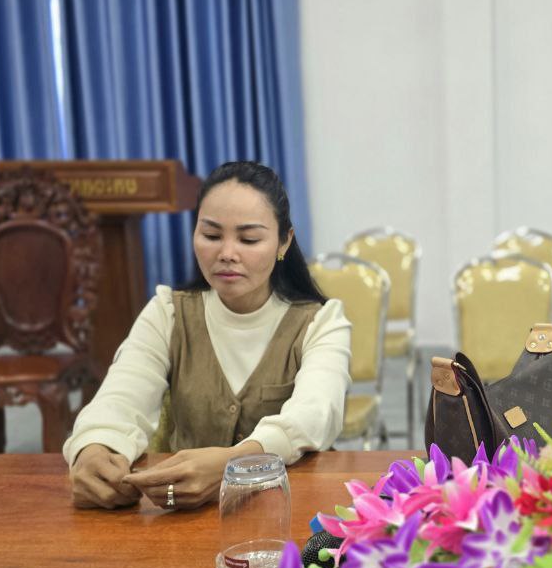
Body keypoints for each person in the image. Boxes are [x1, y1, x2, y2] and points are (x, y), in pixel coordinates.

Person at [64, 161, 352, 510]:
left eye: (248, 239)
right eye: (212, 236)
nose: (227, 254)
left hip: (291, 512)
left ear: (284, 242)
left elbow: (315, 414)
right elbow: (119, 399)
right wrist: (93, 448)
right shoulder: (168, 312)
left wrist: (236, 461)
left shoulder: (321, 322)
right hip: (184, 518)